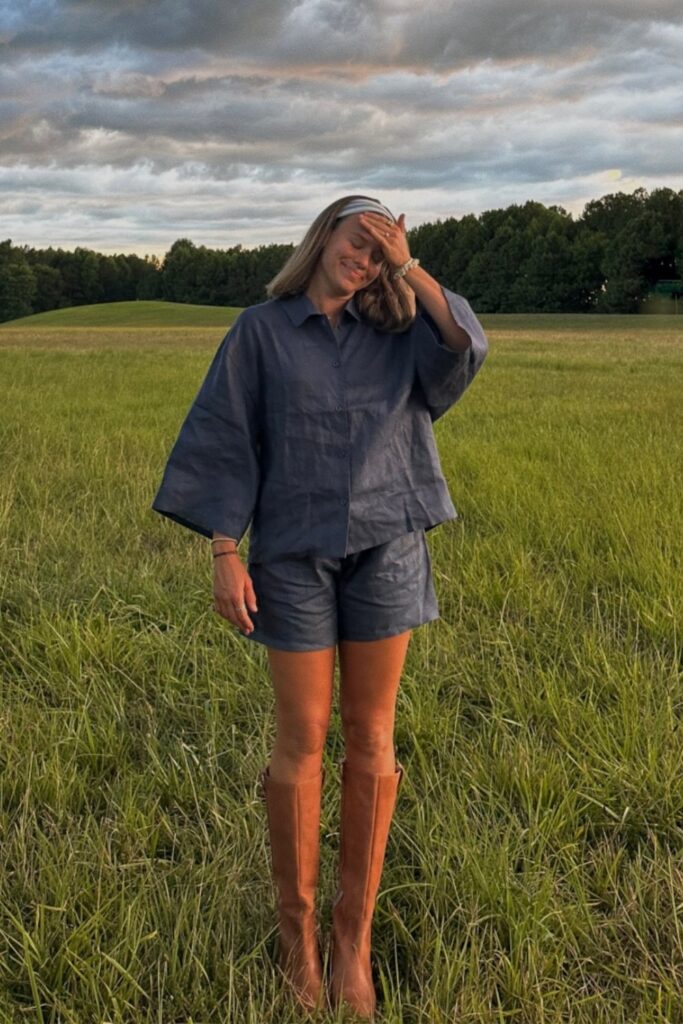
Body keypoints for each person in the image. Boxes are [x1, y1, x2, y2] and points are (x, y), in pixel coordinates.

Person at [151, 195, 488, 1018]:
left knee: (373, 736)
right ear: (323, 238)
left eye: (379, 249)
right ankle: (296, 933)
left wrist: (408, 264)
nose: (363, 259)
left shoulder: (398, 333)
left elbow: (467, 343)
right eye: (356, 239)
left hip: (388, 546)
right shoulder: (260, 332)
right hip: (290, 556)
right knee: (300, 739)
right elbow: (225, 435)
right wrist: (224, 549)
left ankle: (352, 938)